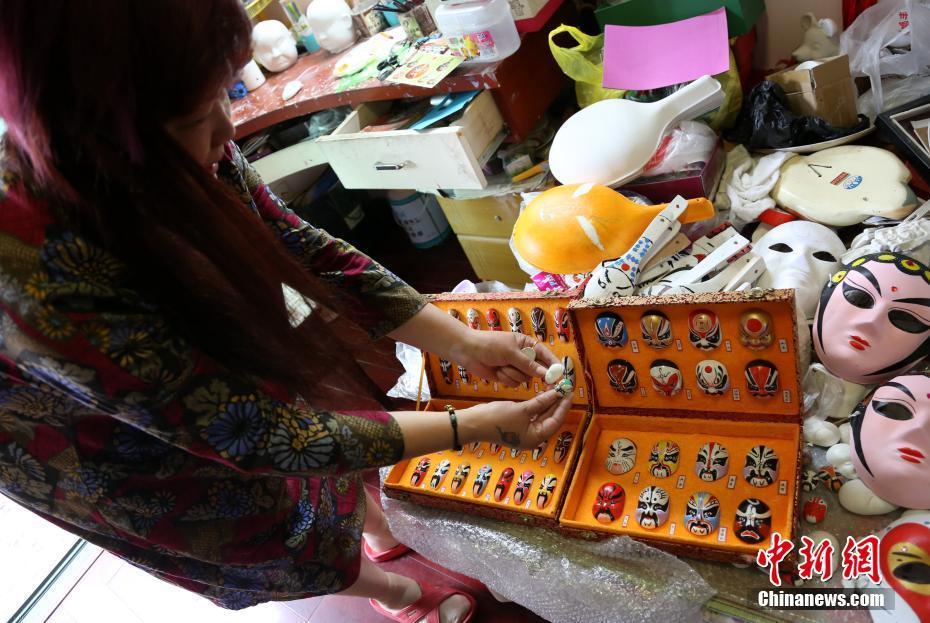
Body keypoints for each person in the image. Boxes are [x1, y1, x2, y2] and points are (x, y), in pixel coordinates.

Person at [0, 2, 571, 621]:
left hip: (216, 396)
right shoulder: (39, 271)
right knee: (270, 530)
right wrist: (476, 428)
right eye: (197, 116)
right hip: (100, 445)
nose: (226, 131)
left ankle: (373, 525)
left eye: (224, 92)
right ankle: (394, 592)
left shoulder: (171, 137)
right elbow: (262, 438)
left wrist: (460, 341)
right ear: (104, 136)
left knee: (323, 459)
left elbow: (299, 246)